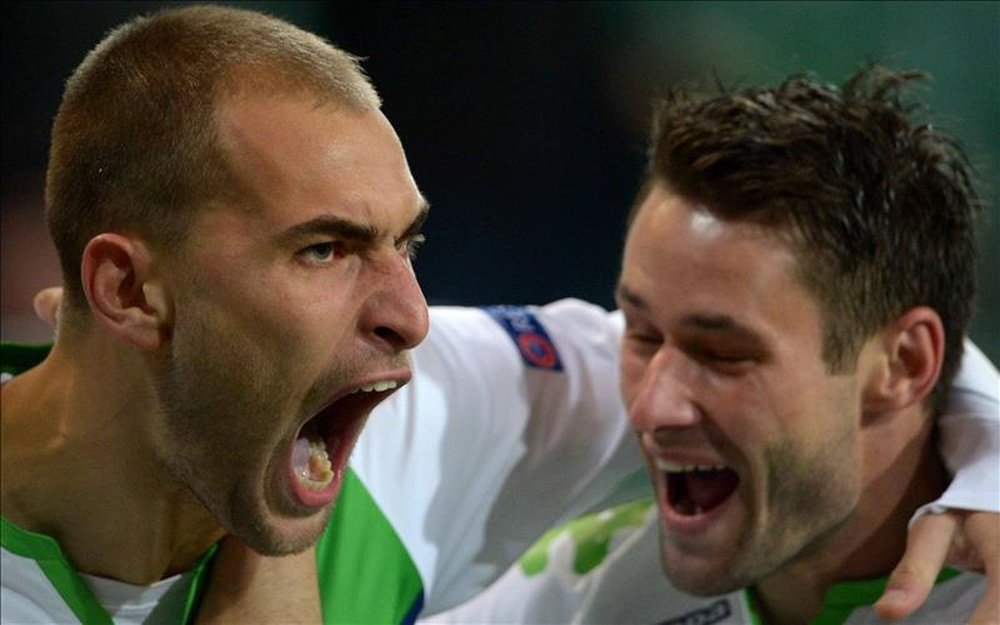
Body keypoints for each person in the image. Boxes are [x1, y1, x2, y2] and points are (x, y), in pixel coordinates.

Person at [3, 6, 998, 624]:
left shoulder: (418, 415)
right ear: (125, 294)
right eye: (323, 248)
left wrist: (991, 460)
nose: (412, 317)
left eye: (407, 245)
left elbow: (838, 355)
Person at [423, 66, 999, 625]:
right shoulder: (576, 595)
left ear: (902, 364)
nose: (650, 407)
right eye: (642, 335)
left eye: (724, 355)